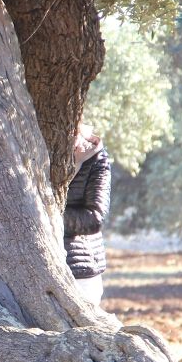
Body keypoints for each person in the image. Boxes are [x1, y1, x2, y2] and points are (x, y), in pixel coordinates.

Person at [64, 122, 111, 306]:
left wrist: (46, 217)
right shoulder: (31, 151)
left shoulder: (95, 157)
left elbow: (94, 218)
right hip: (34, 271)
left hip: (80, 273)